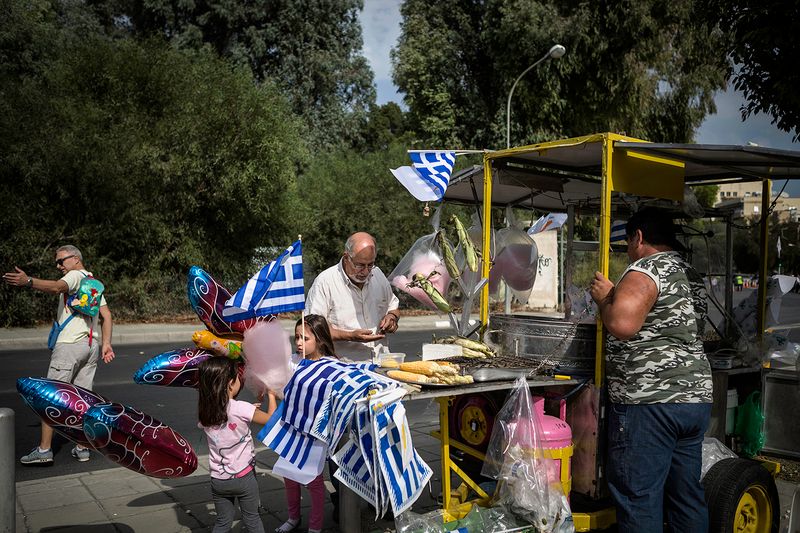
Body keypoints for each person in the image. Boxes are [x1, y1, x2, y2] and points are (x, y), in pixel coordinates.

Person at [589, 207, 712, 533]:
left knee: (639, 498)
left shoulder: (646, 269)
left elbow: (622, 322)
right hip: (693, 401)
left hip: (650, 404)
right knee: (686, 498)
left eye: (628, 243)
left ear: (639, 237)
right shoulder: (690, 273)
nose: (628, 252)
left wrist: (605, 299)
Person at [3, 245, 115, 465]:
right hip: (90, 346)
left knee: (50, 397)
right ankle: (82, 447)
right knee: (81, 400)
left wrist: (28, 281)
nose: (58, 266)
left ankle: (44, 451)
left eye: (61, 261)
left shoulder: (73, 276)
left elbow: (56, 288)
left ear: (74, 259)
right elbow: (107, 315)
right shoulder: (91, 280)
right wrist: (106, 344)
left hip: (70, 345)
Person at [198, 357, 277, 533]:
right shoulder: (241, 408)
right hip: (244, 478)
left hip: (218, 480)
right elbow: (271, 420)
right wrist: (271, 395)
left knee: (222, 522)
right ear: (230, 383)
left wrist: (249, 410)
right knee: (252, 518)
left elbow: (228, 415)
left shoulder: (205, 411)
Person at [275, 315, 337, 533]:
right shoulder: (293, 361)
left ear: (320, 339)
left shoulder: (332, 366)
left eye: (305, 338)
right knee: (289, 476)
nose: (299, 342)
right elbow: (282, 389)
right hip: (291, 428)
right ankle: (293, 517)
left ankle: (315, 526)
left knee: (313, 482)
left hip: (314, 436)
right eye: (296, 337)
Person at [306, 232, 400, 362]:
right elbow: (312, 328)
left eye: (370, 265)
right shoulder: (325, 282)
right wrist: (349, 336)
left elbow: (393, 306)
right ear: (346, 257)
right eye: (360, 265)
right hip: (344, 369)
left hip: (381, 364)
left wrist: (392, 318)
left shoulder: (378, 275)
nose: (366, 271)